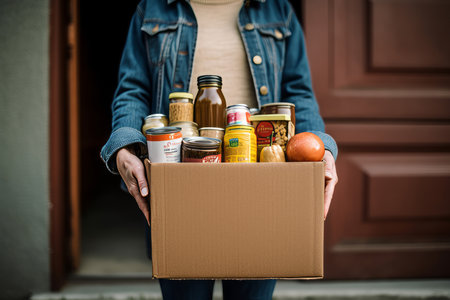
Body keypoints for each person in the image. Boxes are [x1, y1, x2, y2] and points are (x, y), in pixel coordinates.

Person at [101, 0, 338, 299]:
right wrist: (124, 146)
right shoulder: (152, 9)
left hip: (261, 180)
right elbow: (132, 89)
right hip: (179, 181)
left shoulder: (277, 10)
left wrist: (322, 148)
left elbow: (298, 94)